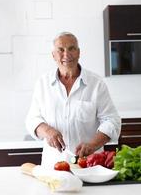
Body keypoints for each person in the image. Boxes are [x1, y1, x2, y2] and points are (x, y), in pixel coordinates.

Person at [26, 32, 121, 169]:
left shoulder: (96, 84)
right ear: (53, 55)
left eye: (71, 48)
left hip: (90, 165)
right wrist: (47, 131)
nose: (66, 54)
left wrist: (93, 144)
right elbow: (32, 119)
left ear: (78, 53)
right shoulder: (42, 83)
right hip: (53, 167)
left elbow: (112, 121)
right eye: (61, 50)